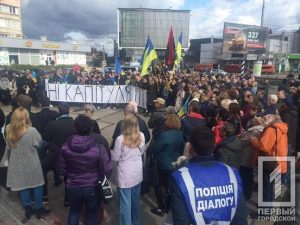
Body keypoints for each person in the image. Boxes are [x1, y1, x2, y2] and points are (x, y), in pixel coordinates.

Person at [171, 126, 247, 225]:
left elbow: (181, 220)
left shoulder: (180, 177)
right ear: (214, 146)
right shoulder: (232, 172)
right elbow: (239, 215)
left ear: (190, 148)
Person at [56, 115, 112, 225]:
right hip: (92, 187)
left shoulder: (65, 147)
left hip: (73, 186)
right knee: (92, 215)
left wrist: (71, 174)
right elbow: (108, 169)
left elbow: (60, 169)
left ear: (75, 128)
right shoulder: (98, 148)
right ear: (91, 129)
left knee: (74, 212)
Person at [5, 107, 50, 221]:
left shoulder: (9, 128)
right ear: (26, 118)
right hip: (31, 162)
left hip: (17, 163)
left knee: (23, 186)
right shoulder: (31, 131)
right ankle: (39, 209)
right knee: (37, 185)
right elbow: (39, 143)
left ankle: (28, 209)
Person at [148, 114, 185, 216]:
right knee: (169, 186)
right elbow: (181, 147)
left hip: (163, 164)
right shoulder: (179, 134)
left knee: (158, 185)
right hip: (174, 163)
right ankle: (168, 206)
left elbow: (154, 149)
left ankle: (161, 207)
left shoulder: (164, 135)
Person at [112, 114, 145, 225]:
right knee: (135, 201)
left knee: (125, 203)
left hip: (125, 175)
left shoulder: (120, 139)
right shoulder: (141, 136)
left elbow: (115, 158)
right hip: (137, 173)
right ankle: (136, 222)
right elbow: (141, 152)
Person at [251, 113, 288, 202]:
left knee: (266, 187)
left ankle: (264, 212)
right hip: (279, 162)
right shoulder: (281, 129)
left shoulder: (271, 130)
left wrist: (253, 140)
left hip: (270, 162)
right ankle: (266, 208)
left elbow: (264, 146)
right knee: (269, 187)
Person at [43, 104, 76, 206]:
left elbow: (45, 141)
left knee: (42, 169)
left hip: (54, 154)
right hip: (69, 156)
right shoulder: (75, 124)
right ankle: (68, 200)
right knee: (68, 177)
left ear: (59, 111)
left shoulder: (52, 124)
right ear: (68, 111)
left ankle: (44, 197)